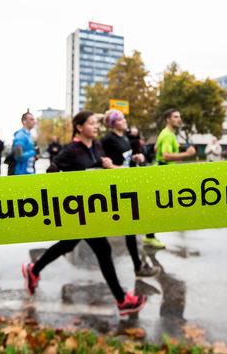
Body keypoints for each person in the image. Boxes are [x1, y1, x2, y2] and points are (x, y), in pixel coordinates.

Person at [21, 111, 147, 316]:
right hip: (78, 210)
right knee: (103, 250)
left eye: (97, 123)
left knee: (68, 243)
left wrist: (108, 166)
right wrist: (65, 193)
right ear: (79, 127)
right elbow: (51, 173)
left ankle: (33, 270)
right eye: (91, 123)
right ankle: (122, 300)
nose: (96, 127)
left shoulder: (97, 146)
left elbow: (98, 170)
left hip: (92, 208)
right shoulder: (71, 150)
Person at [101, 110, 159, 278]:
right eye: (121, 119)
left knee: (132, 228)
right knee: (130, 228)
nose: (125, 121)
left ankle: (139, 265)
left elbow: (124, 160)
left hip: (128, 185)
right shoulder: (108, 140)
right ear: (113, 123)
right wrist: (116, 168)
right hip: (117, 188)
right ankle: (138, 266)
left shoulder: (124, 138)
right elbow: (105, 164)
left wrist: (136, 159)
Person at [145, 108, 197, 249]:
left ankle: (149, 236)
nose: (178, 119)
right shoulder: (168, 135)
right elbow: (166, 155)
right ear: (168, 119)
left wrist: (174, 149)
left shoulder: (166, 134)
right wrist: (186, 153)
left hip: (163, 171)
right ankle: (149, 237)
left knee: (158, 206)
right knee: (158, 207)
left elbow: (157, 148)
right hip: (163, 172)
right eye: (175, 117)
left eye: (179, 116)